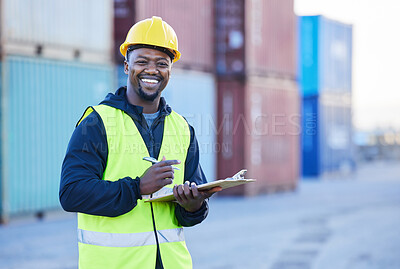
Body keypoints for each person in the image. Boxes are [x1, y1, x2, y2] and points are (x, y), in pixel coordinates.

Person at [60, 16, 221, 269]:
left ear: (170, 70)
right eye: (142, 61)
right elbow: (71, 194)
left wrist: (193, 206)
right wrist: (137, 187)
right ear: (126, 66)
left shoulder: (183, 128)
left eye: (161, 63)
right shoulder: (96, 122)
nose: (152, 70)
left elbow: (189, 214)